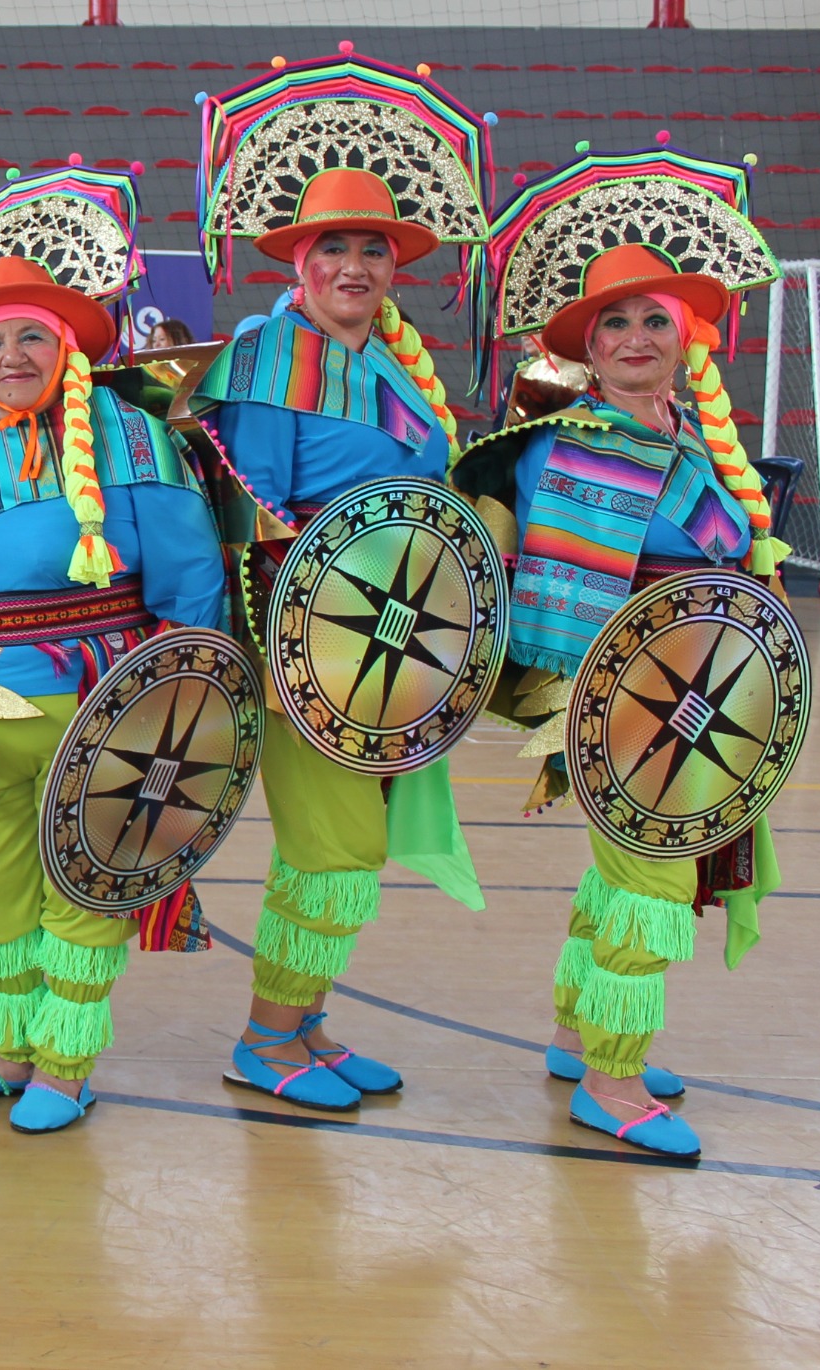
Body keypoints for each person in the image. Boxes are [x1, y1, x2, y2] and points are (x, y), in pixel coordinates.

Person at [453, 165, 790, 1157]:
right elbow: (566, 591)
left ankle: (578, 1036)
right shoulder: (571, 445)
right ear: (585, 348)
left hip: (698, 682)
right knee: (648, 877)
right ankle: (613, 1077)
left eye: (652, 318)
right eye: (613, 325)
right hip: (629, 694)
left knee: (623, 874)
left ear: (683, 334)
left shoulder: (692, 436)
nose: (636, 338)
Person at [0, 205, 228, 1133]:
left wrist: (171, 708)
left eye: (31, 337)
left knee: (87, 878)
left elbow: (191, 576)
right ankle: (9, 1047)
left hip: (99, 704)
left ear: (66, 348)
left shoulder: (131, 440)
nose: (12, 355)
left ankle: (66, 1063)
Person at [183, 164, 480, 1111]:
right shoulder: (268, 360)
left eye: (373, 249)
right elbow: (247, 510)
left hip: (391, 647)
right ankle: (267, 1040)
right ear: (301, 262)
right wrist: (299, 637)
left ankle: (305, 1022)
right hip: (309, 648)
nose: (355, 265)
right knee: (334, 847)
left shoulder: (393, 365)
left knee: (339, 840)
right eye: (335, 248)